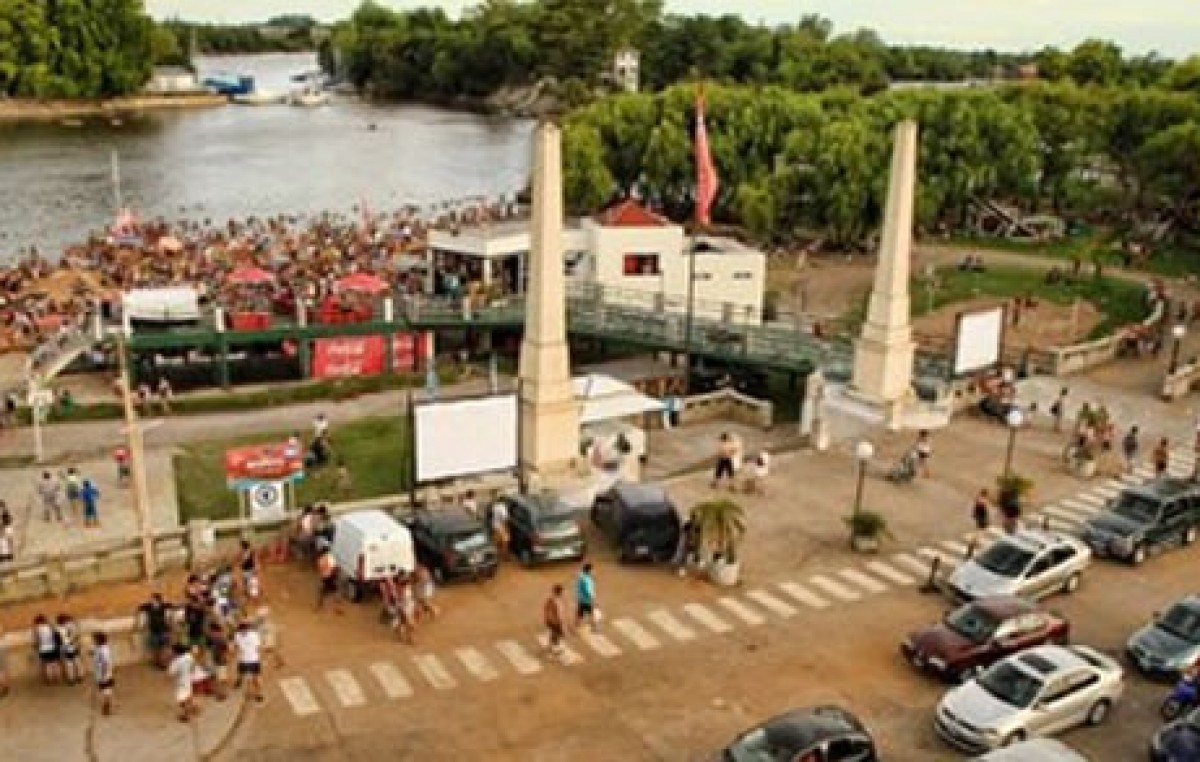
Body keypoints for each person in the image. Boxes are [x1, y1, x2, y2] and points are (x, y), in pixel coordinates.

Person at [138, 593, 174, 668]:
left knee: (163, 647)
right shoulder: (148, 606)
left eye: (153, 599)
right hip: (154, 631)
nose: (151, 601)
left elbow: (172, 606)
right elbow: (139, 608)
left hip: (163, 630)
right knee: (155, 648)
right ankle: (158, 662)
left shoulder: (164, 606)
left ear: (158, 600)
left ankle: (163, 662)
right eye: (152, 599)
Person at [233, 620, 265, 703]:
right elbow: (236, 645)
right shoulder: (237, 635)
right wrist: (236, 653)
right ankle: (239, 680)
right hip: (242, 659)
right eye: (241, 630)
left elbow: (259, 647)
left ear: (247, 629)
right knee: (241, 672)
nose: (243, 632)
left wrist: (261, 659)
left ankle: (259, 694)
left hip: (253, 660)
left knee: (256, 678)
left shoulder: (254, 635)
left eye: (244, 630)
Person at [168, 643, 197, 723]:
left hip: (180, 683)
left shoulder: (175, 662)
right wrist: (191, 673)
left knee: (181, 700)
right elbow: (193, 666)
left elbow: (170, 674)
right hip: (188, 679)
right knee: (188, 695)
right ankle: (192, 708)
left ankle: (186, 715)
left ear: (175, 652)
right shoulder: (188, 656)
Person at [33, 614, 61, 684]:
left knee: (47, 665)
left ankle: (50, 680)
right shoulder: (50, 627)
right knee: (55, 663)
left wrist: (36, 646)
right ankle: (57, 678)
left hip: (43, 649)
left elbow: (37, 640)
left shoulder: (37, 629)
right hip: (53, 647)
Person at [207, 620, 230, 701]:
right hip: (217, 659)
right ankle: (220, 693)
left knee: (221, 678)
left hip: (219, 660)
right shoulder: (215, 638)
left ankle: (222, 694)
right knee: (218, 677)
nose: (209, 631)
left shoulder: (220, 638)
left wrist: (224, 657)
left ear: (213, 630)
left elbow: (226, 649)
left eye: (210, 630)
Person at [542, 584, 567, 661]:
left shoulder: (550, 599)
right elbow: (559, 615)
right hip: (556, 622)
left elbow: (545, 608)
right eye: (563, 592)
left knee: (553, 635)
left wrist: (547, 618)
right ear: (560, 592)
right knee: (557, 637)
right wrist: (563, 625)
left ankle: (549, 648)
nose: (564, 593)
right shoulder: (558, 602)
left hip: (549, 621)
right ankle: (552, 654)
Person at [92, 631, 114, 715]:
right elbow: (97, 654)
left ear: (98, 640)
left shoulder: (104, 650)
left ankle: (106, 706)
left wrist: (103, 674)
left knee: (106, 690)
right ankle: (106, 704)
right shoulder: (99, 647)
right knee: (104, 690)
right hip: (99, 672)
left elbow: (105, 662)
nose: (93, 640)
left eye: (94, 639)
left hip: (103, 673)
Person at [57, 614, 83, 685]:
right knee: (77, 661)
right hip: (73, 645)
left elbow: (59, 641)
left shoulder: (58, 629)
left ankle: (71, 679)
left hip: (66, 647)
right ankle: (80, 676)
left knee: (69, 664)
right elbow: (76, 635)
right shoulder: (71, 625)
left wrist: (61, 649)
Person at [574, 563, 599, 632]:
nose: (593, 571)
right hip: (587, 600)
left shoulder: (581, 576)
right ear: (589, 570)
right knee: (592, 613)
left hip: (580, 599)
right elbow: (589, 591)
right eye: (592, 570)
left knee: (580, 613)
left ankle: (576, 626)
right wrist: (594, 600)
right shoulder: (587, 580)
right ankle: (594, 628)